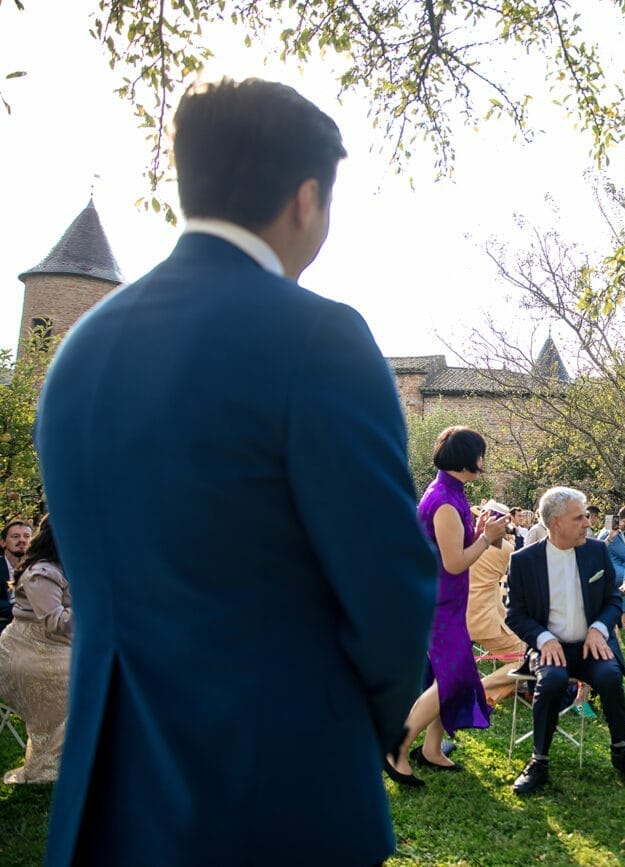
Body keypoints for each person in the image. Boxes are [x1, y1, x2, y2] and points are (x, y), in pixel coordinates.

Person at [34, 79, 439, 866]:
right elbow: (391, 590)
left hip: (106, 801)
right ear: (307, 198)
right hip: (271, 795)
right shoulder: (319, 336)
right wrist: (375, 720)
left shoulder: (78, 353)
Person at [506, 487, 625, 795]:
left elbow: (613, 600)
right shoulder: (524, 560)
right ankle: (539, 761)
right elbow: (516, 615)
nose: (588, 523)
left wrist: (599, 629)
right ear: (556, 522)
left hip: (592, 645)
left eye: (586, 516)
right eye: (580, 518)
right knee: (552, 682)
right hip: (550, 648)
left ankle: (621, 750)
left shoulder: (596, 552)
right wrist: (544, 639)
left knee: (610, 677)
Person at [390, 427, 510, 785]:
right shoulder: (443, 499)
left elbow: (453, 550)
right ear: (469, 459)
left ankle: (432, 748)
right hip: (437, 604)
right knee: (452, 677)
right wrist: (488, 540)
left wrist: (478, 531)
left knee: (446, 676)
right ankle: (396, 747)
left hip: (448, 600)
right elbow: (455, 562)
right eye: (481, 455)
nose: (483, 463)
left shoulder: (451, 492)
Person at [0, 516, 71, 783]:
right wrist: (97, 611)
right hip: (26, 654)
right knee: (90, 681)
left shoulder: (67, 567)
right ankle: (63, 762)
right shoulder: (42, 572)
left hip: (57, 648)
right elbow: (55, 621)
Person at [465, 521, 527, 707]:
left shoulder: (466, 542)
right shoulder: (505, 548)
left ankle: (485, 697)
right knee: (525, 660)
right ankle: (479, 691)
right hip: (484, 618)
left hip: (458, 614)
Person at [0, 519, 32, 633]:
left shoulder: (39, 569)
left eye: (27, 536)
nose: (22, 540)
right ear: (3, 542)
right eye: (15, 536)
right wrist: (19, 610)